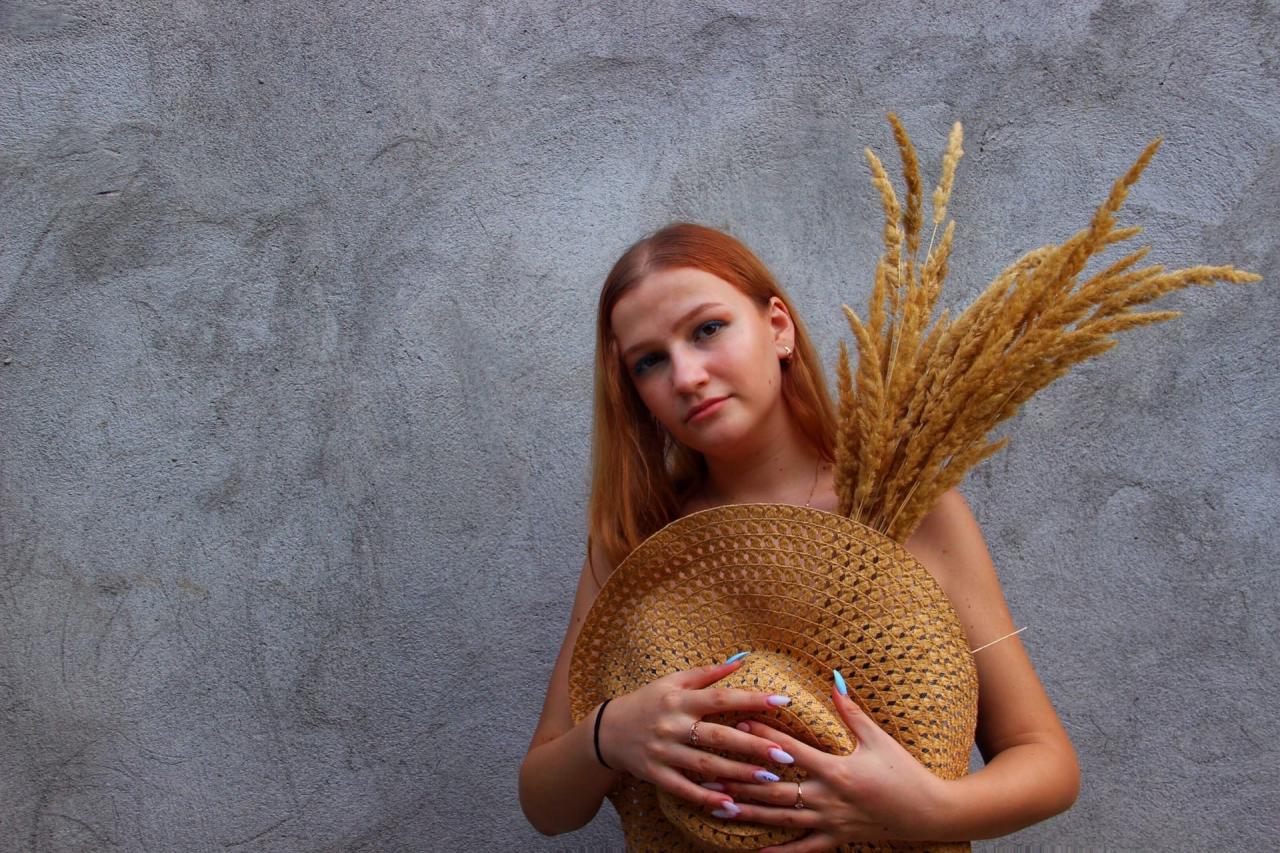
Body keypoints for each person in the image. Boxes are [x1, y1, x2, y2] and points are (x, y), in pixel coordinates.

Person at [518, 222, 1080, 849]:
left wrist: (931, 811)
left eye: (707, 329)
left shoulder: (909, 509)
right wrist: (609, 733)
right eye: (649, 361)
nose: (687, 376)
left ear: (778, 328)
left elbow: (1045, 758)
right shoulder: (634, 542)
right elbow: (546, 805)